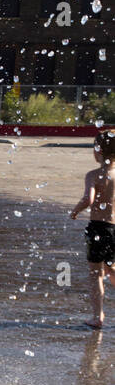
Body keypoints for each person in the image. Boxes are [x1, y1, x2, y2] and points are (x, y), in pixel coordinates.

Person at [70, 130, 115, 329]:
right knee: (111, 268)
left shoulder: (94, 175)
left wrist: (76, 210)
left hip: (98, 228)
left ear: (98, 151)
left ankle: (98, 316)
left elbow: (88, 199)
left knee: (96, 273)